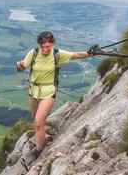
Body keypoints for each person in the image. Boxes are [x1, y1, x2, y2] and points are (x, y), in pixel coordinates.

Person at [16, 31, 95, 159]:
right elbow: (22, 66)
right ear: (39, 45)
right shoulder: (34, 53)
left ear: (52, 44)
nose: (45, 49)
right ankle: (43, 137)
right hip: (33, 91)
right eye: (43, 47)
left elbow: (75, 55)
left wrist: (90, 53)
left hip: (49, 91)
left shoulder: (57, 54)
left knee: (38, 122)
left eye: (48, 46)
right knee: (36, 120)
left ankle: (39, 150)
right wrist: (18, 65)